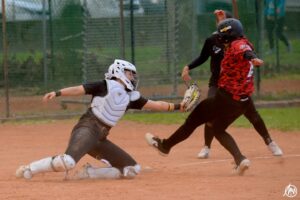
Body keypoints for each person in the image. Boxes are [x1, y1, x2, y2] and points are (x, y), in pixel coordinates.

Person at [15, 59, 183, 180]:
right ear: (118, 71)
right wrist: (58, 93)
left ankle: (90, 173)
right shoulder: (104, 85)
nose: (132, 77)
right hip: (87, 128)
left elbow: (157, 105)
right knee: (67, 162)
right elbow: (78, 90)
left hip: (100, 138)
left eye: (133, 74)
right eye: (129, 73)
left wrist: (178, 106)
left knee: (131, 169)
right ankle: (30, 168)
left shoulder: (131, 97)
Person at [146, 18, 265, 176]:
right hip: (242, 102)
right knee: (218, 129)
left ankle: (165, 146)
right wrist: (223, 23)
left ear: (228, 36)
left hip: (225, 99)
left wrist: (252, 57)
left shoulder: (238, 45)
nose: (219, 38)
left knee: (192, 120)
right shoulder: (243, 41)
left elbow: (243, 50)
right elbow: (241, 46)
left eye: (222, 35)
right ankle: (240, 159)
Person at [181, 10, 282, 159]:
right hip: (216, 84)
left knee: (253, 116)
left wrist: (253, 58)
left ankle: (270, 142)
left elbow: (245, 50)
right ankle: (206, 147)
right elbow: (203, 57)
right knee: (210, 116)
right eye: (219, 24)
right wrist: (188, 66)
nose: (221, 27)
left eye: (225, 23)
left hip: (236, 87)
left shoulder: (235, 42)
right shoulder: (212, 40)